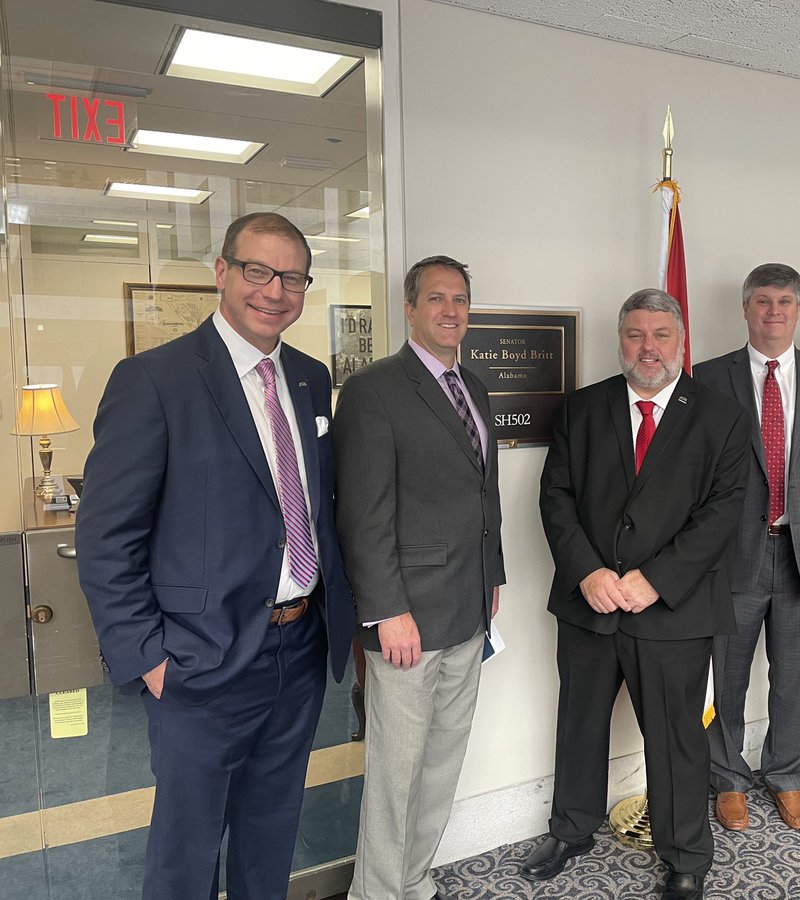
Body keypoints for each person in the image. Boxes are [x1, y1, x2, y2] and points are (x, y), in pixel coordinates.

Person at [76, 212, 355, 900]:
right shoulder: (155, 380)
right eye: (258, 270)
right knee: (186, 854)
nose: (275, 291)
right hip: (199, 662)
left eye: (292, 276)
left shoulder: (311, 379)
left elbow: (319, 507)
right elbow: (107, 538)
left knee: (271, 835)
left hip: (297, 651)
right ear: (222, 273)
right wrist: (148, 658)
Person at [520, 289, 751, 900]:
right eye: (634, 335)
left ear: (680, 340)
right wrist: (589, 573)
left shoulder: (722, 415)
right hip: (590, 603)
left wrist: (655, 580)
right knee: (580, 723)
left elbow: (723, 514)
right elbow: (556, 499)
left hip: (673, 609)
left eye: (660, 336)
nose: (647, 348)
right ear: (620, 338)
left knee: (677, 738)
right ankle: (571, 830)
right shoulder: (582, 408)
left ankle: (685, 854)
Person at [333, 254, 504, 900]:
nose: (450, 311)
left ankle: (414, 876)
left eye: (460, 299)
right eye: (436, 299)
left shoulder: (475, 387)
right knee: (395, 772)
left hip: (468, 608)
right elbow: (363, 513)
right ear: (410, 308)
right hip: (406, 618)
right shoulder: (374, 390)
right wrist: (385, 609)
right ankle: (376, 891)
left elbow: (485, 496)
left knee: (442, 760)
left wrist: (495, 575)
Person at [695, 262, 800, 833]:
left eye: (784, 302)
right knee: (728, 675)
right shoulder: (707, 378)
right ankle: (728, 779)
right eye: (762, 301)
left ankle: (787, 776)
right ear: (745, 309)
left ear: (798, 310)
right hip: (732, 558)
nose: (773, 312)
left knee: (795, 675)